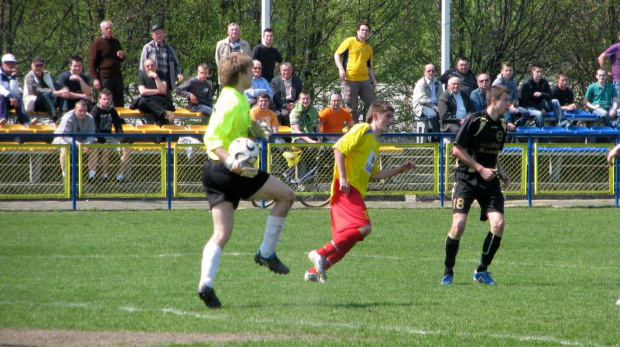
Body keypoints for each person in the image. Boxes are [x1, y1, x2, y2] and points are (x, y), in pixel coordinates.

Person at [198, 52, 295, 309]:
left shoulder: (237, 98)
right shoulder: (232, 101)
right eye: (251, 70)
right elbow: (212, 137)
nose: (255, 74)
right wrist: (230, 160)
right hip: (228, 169)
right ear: (241, 75)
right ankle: (266, 254)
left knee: (221, 233)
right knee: (286, 196)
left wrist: (255, 131)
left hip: (212, 171)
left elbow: (236, 129)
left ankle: (205, 284)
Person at [305, 100, 415, 283]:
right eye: (388, 117)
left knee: (348, 240)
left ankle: (313, 272)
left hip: (353, 190)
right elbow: (339, 149)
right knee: (364, 228)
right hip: (346, 188)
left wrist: (399, 170)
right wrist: (344, 178)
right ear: (375, 116)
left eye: (391, 118)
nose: (390, 121)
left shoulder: (375, 143)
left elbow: (374, 175)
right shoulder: (362, 129)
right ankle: (320, 253)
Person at [440, 85, 512, 286]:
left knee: (498, 225)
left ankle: (481, 270)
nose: (509, 104)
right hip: (466, 178)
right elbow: (457, 150)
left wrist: (501, 170)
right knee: (459, 226)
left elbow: (494, 153)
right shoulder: (475, 120)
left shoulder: (503, 126)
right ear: (493, 101)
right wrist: (480, 168)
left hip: (489, 181)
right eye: (506, 100)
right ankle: (448, 272)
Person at [334, 23, 378, 123]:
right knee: (351, 106)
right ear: (357, 31)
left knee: (374, 104)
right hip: (350, 79)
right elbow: (337, 54)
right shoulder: (350, 41)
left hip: (364, 79)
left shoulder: (369, 48)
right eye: (362, 30)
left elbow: (370, 67)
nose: (364, 32)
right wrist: (341, 69)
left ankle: (369, 126)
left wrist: (373, 79)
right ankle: (354, 128)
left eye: (366, 31)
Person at [89, 89, 130, 181]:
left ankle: (120, 175)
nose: (106, 101)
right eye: (104, 99)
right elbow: (94, 128)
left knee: (126, 148)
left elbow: (118, 127)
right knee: (105, 147)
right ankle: (104, 174)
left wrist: (121, 141)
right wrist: (102, 140)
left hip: (110, 137)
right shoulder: (95, 111)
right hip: (97, 137)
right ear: (99, 99)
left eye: (108, 99)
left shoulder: (112, 111)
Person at [52, 100, 96, 178]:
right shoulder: (68, 117)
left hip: (81, 141)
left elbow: (91, 134)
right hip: (62, 138)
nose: (82, 113)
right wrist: (77, 144)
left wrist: (88, 143)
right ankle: (65, 177)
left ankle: (92, 176)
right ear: (75, 110)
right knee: (66, 147)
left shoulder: (90, 118)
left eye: (84, 111)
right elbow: (65, 136)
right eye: (80, 110)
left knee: (94, 147)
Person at [89, 20, 126, 107]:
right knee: (105, 100)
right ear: (102, 30)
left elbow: (121, 59)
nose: (109, 30)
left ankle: (119, 120)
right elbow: (92, 62)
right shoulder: (97, 43)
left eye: (110, 28)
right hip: (105, 77)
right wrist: (95, 79)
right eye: (106, 28)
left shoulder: (116, 41)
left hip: (117, 76)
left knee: (119, 101)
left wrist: (122, 56)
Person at [139, 24, 184, 92]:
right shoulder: (148, 48)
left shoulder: (169, 49)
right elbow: (142, 65)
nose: (159, 35)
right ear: (153, 36)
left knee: (166, 99)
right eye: (156, 34)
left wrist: (179, 73)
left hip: (165, 79)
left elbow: (176, 64)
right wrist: (142, 80)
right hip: (152, 79)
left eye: (160, 33)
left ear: (163, 34)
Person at [23, 56, 67, 122]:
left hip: (49, 103)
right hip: (34, 103)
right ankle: (55, 117)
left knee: (63, 94)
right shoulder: (29, 76)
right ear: (32, 66)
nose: (38, 67)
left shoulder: (48, 74)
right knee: (45, 95)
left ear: (44, 66)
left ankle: (64, 115)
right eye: (36, 65)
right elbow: (35, 91)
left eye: (41, 65)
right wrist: (52, 92)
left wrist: (64, 89)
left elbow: (57, 85)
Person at [134, 58, 175, 126]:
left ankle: (161, 115)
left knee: (159, 116)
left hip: (159, 102)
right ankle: (163, 112)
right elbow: (143, 92)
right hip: (147, 103)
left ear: (155, 66)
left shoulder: (161, 75)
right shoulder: (142, 76)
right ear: (145, 68)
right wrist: (159, 91)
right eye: (148, 66)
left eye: (152, 65)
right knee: (141, 101)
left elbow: (163, 91)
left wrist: (156, 77)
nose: (150, 67)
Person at [0, 53, 37, 127]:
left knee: (18, 97)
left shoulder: (14, 77)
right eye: (7, 63)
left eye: (12, 63)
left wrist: (13, 77)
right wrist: (10, 96)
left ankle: (25, 122)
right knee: (3, 96)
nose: (10, 65)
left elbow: (14, 92)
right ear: (2, 64)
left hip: (7, 101)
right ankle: (2, 119)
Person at [492, 62, 530, 131]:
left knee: (526, 113)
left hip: (512, 105)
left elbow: (515, 96)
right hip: (501, 106)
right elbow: (496, 99)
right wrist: (509, 106)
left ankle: (516, 129)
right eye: (506, 70)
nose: (508, 72)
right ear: (502, 71)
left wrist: (512, 105)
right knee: (511, 113)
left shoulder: (513, 81)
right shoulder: (497, 83)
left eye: (510, 70)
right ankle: (511, 131)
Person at [412, 64, 443, 134]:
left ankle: (442, 135)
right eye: (429, 71)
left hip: (436, 105)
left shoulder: (438, 83)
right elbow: (421, 99)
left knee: (446, 114)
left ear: (435, 72)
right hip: (422, 106)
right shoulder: (420, 83)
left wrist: (441, 106)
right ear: (424, 72)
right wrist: (434, 107)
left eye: (433, 71)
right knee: (433, 115)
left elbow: (442, 96)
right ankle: (436, 136)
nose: (431, 73)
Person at [270, 62, 303, 126]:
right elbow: (275, 96)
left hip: (295, 103)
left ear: (292, 70)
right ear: (280, 71)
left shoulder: (298, 81)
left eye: (288, 70)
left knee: (302, 113)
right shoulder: (275, 81)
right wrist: (285, 105)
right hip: (281, 104)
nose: (286, 72)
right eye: (284, 70)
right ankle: (286, 134)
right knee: (285, 114)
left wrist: (295, 104)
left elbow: (300, 95)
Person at [597, 32, 620, 99]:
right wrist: (606, 72)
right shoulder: (616, 47)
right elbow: (600, 58)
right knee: (618, 106)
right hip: (618, 80)